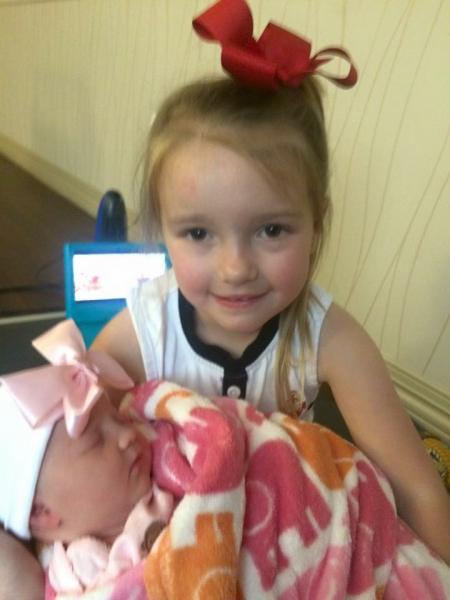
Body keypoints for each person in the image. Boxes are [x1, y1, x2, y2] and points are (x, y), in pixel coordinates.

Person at [1, 0, 448, 595]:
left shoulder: (330, 337)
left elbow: (414, 487)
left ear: (317, 223)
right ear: (162, 231)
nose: (236, 269)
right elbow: (50, 466)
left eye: (271, 230)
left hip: (286, 541)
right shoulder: (144, 329)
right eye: (198, 234)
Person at [0, 320, 173, 595]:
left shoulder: (174, 454)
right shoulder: (75, 578)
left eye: (119, 419)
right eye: (97, 441)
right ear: (42, 513)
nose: (128, 435)